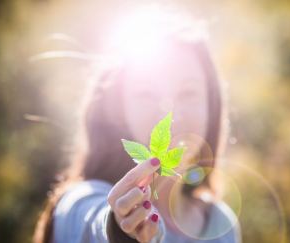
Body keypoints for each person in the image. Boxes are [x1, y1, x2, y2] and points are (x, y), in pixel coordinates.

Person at [33, 5, 242, 243]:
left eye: (188, 93)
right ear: (119, 111)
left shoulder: (221, 224)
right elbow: (94, 222)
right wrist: (118, 228)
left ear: (211, 107)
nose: (170, 112)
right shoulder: (79, 202)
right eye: (146, 93)